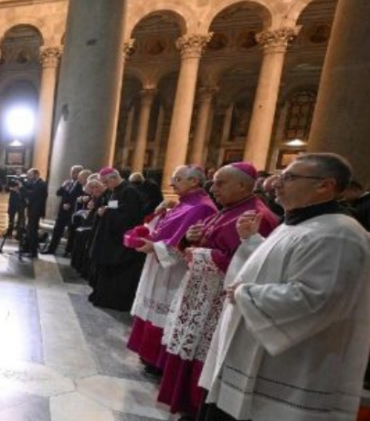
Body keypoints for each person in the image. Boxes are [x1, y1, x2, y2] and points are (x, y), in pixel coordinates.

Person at [199, 153, 370, 421]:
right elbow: (276, 266)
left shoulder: (338, 233)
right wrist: (252, 243)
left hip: (290, 372)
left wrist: (246, 294)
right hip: (252, 356)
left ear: (325, 185)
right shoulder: (298, 222)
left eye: (289, 177)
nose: (276, 183)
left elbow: (318, 299)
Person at [158, 162, 278, 418]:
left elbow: (249, 264)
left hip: (219, 301)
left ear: (244, 185)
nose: (213, 188)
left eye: (221, 183)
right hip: (200, 293)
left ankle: (195, 409)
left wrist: (202, 253)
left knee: (204, 356)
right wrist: (190, 238)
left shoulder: (257, 217)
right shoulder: (228, 209)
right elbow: (208, 241)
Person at [128, 165, 217, 373]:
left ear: (194, 181)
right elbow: (163, 230)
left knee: (164, 308)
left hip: (175, 271)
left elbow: (186, 244)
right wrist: (159, 215)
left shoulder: (202, 207)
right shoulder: (183, 203)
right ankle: (148, 355)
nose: (171, 183)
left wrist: (155, 248)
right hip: (159, 264)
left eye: (177, 179)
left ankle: (158, 361)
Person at [87, 167, 146, 310]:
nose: (105, 186)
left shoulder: (129, 191)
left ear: (114, 178)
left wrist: (107, 213)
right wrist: (104, 209)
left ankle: (112, 300)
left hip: (119, 241)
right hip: (110, 238)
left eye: (106, 182)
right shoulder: (116, 190)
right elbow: (115, 206)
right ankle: (102, 296)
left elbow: (129, 216)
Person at [45, 165, 84, 255]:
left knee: (72, 233)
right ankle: (51, 249)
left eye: (74, 172)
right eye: (71, 172)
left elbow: (80, 198)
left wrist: (71, 205)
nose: (71, 174)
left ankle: (68, 251)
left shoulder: (81, 185)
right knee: (57, 231)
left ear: (79, 173)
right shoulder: (68, 183)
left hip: (73, 213)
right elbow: (58, 193)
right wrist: (63, 186)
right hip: (62, 212)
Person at [22, 169, 48, 257]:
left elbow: (33, 194)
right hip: (32, 210)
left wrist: (21, 188)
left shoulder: (41, 184)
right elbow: (28, 189)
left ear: (36, 174)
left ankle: (33, 252)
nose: (28, 176)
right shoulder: (35, 183)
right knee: (30, 230)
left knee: (33, 231)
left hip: (36, 211)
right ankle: (27, 248)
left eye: (30, 175)